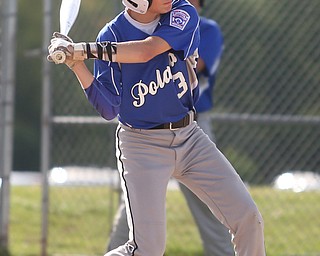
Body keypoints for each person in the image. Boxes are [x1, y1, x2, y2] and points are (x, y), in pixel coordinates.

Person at [47, 0, 266, 255]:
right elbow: (108, 109)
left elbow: (146, 51)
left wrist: (82, 50)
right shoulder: (112, 34)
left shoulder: (182, 12)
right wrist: (76, 63)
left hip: (190, 137)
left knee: (248, 218)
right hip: (141, 145)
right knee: (147, 249)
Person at [106, 0, 235, 255]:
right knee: (134, 210)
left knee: (207, 205)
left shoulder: (206, 28)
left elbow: (180, 60)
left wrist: (154, 46)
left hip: (193, 126)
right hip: (146, 131)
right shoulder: (147, 25)